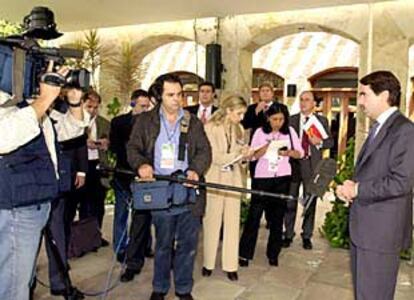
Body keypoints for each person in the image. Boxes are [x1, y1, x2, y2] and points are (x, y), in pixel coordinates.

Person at [127, 74, 211, 300]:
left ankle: (184, 289)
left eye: (180, 94)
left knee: (188, 245)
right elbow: (133, 148)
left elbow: (205, 151)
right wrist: (142, 164)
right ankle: (160, 287)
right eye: (171, 95)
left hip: (187, 191)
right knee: (163, 244)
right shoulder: (145, 121)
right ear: (159, 96)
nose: (177, 99)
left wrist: (195, 170)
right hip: (160, 191)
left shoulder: (192, 121)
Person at [336, 71, 414, 300]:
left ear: (385, 95)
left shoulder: (405, 131)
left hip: (381, 232)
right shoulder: (379, 127)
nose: (359, 102)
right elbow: (376, 171)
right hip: (366, 229)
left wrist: (358, 190)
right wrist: (352, 186)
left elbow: (402, 182)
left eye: (364, 95)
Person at [0, 60, 69, 300]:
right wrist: (43, 100)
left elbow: (68, 132)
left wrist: (72, 101)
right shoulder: (6, 101)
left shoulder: (26, 104)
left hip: (36, 203)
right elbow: (3, 137)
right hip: (15, 208)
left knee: (21, 280)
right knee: (12, 287)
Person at [239, 103, 303, 268]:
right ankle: (245, 253)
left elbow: (300, 152)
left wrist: (288, 152)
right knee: (254, 215)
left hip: (282, 177)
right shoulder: (260, 132)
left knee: (277, 217)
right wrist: (266, 147)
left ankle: (273, 253)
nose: (278, 122)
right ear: (268, 118)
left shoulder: (290, 132)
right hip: (262, 177)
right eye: (275, 119)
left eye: (281, 119)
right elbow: (252, 156)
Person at [202, 95, 251, 281]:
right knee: (212, 222)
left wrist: (246, 155)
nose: (242, 117)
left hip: (233, 180)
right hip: (215, 179)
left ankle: (231, 265)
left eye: (243, 113)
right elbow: (216, 157)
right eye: (239, 113)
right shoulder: (210, 128)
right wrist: (239, 153)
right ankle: (208, 263)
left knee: (232, 223)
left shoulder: (239, 128)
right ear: (229, 110)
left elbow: (240, 159)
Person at [109, 89, 154, 281]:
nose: (145, 109)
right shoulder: (119, 122)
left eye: (147, 106)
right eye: (141, 106)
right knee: (121, 213)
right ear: (133, 104)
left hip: (144, 178)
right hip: (124, 175)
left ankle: (145, 246)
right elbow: (116, 147)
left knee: (144, 214)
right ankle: (121, 250)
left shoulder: (151, 124)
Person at [283, 91, 334, 250]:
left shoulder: (321, 121)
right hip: (292, 164)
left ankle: (306, 235)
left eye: (307, 100)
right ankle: (288, 233)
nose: (303, 103)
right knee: (290, 200)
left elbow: (330, 142)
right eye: (301, 100)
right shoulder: (291, 120)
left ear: (314, 104)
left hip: (311, 165)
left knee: (309, 200)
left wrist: (319, 142)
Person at [81, 90, 111, 246]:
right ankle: (82, 238)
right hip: (82, 166)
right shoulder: (75, 122)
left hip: (99, 167)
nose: (92, 110)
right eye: (89, 107)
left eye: (95, 107)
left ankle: (96, 235)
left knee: (98, 204)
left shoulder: (104, 123)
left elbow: (110, 143)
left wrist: (105, 144)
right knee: (84, 204)